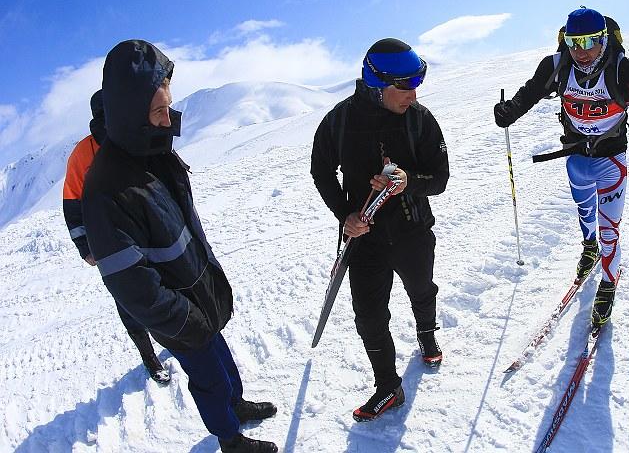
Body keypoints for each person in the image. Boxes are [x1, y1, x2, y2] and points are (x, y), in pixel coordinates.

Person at [81, 40, 278, 453]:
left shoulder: (152, 150)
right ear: (132, 114)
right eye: (158, 111)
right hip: (178, 312)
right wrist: (186, 320)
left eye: (167, 106)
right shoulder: (106, 190)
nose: (168, 118)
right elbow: (133, 287)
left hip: (197, 290)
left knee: (223, 363)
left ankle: (236, 406)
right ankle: (230, 440)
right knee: (208, 378)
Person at [494, 7, 629, 332]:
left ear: (603, 39)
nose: (581, 51)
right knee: (584, 212)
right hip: (576, 157)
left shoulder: (622, 70)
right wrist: (509, 111)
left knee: (610, 228)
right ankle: (589, 246)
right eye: (573, 42)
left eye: (590, 42)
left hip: (611, 160)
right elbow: (530, 94)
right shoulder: (557, 66)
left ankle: (608, 283)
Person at [310, 38, 449, 422]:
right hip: (365, 238)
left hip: (413, 231)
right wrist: (345, 214)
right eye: (404, 85)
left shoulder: (421, 119)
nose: (413, 93)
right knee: (369, 316)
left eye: (416, 82)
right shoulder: (339, 121)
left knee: (422, 289)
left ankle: (426, 333)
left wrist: (410, 181)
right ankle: (388, 386)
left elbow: (440, 177)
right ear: (376, 82)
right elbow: (321, 171)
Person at [63, 89, 170, 384]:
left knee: (151, 291)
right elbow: (73, 204)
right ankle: (151, 357)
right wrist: (85, 246)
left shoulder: (134, 137)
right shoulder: (83, 154)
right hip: (111, 240)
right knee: (132, 299)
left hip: (142, 230)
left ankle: (175, 338)